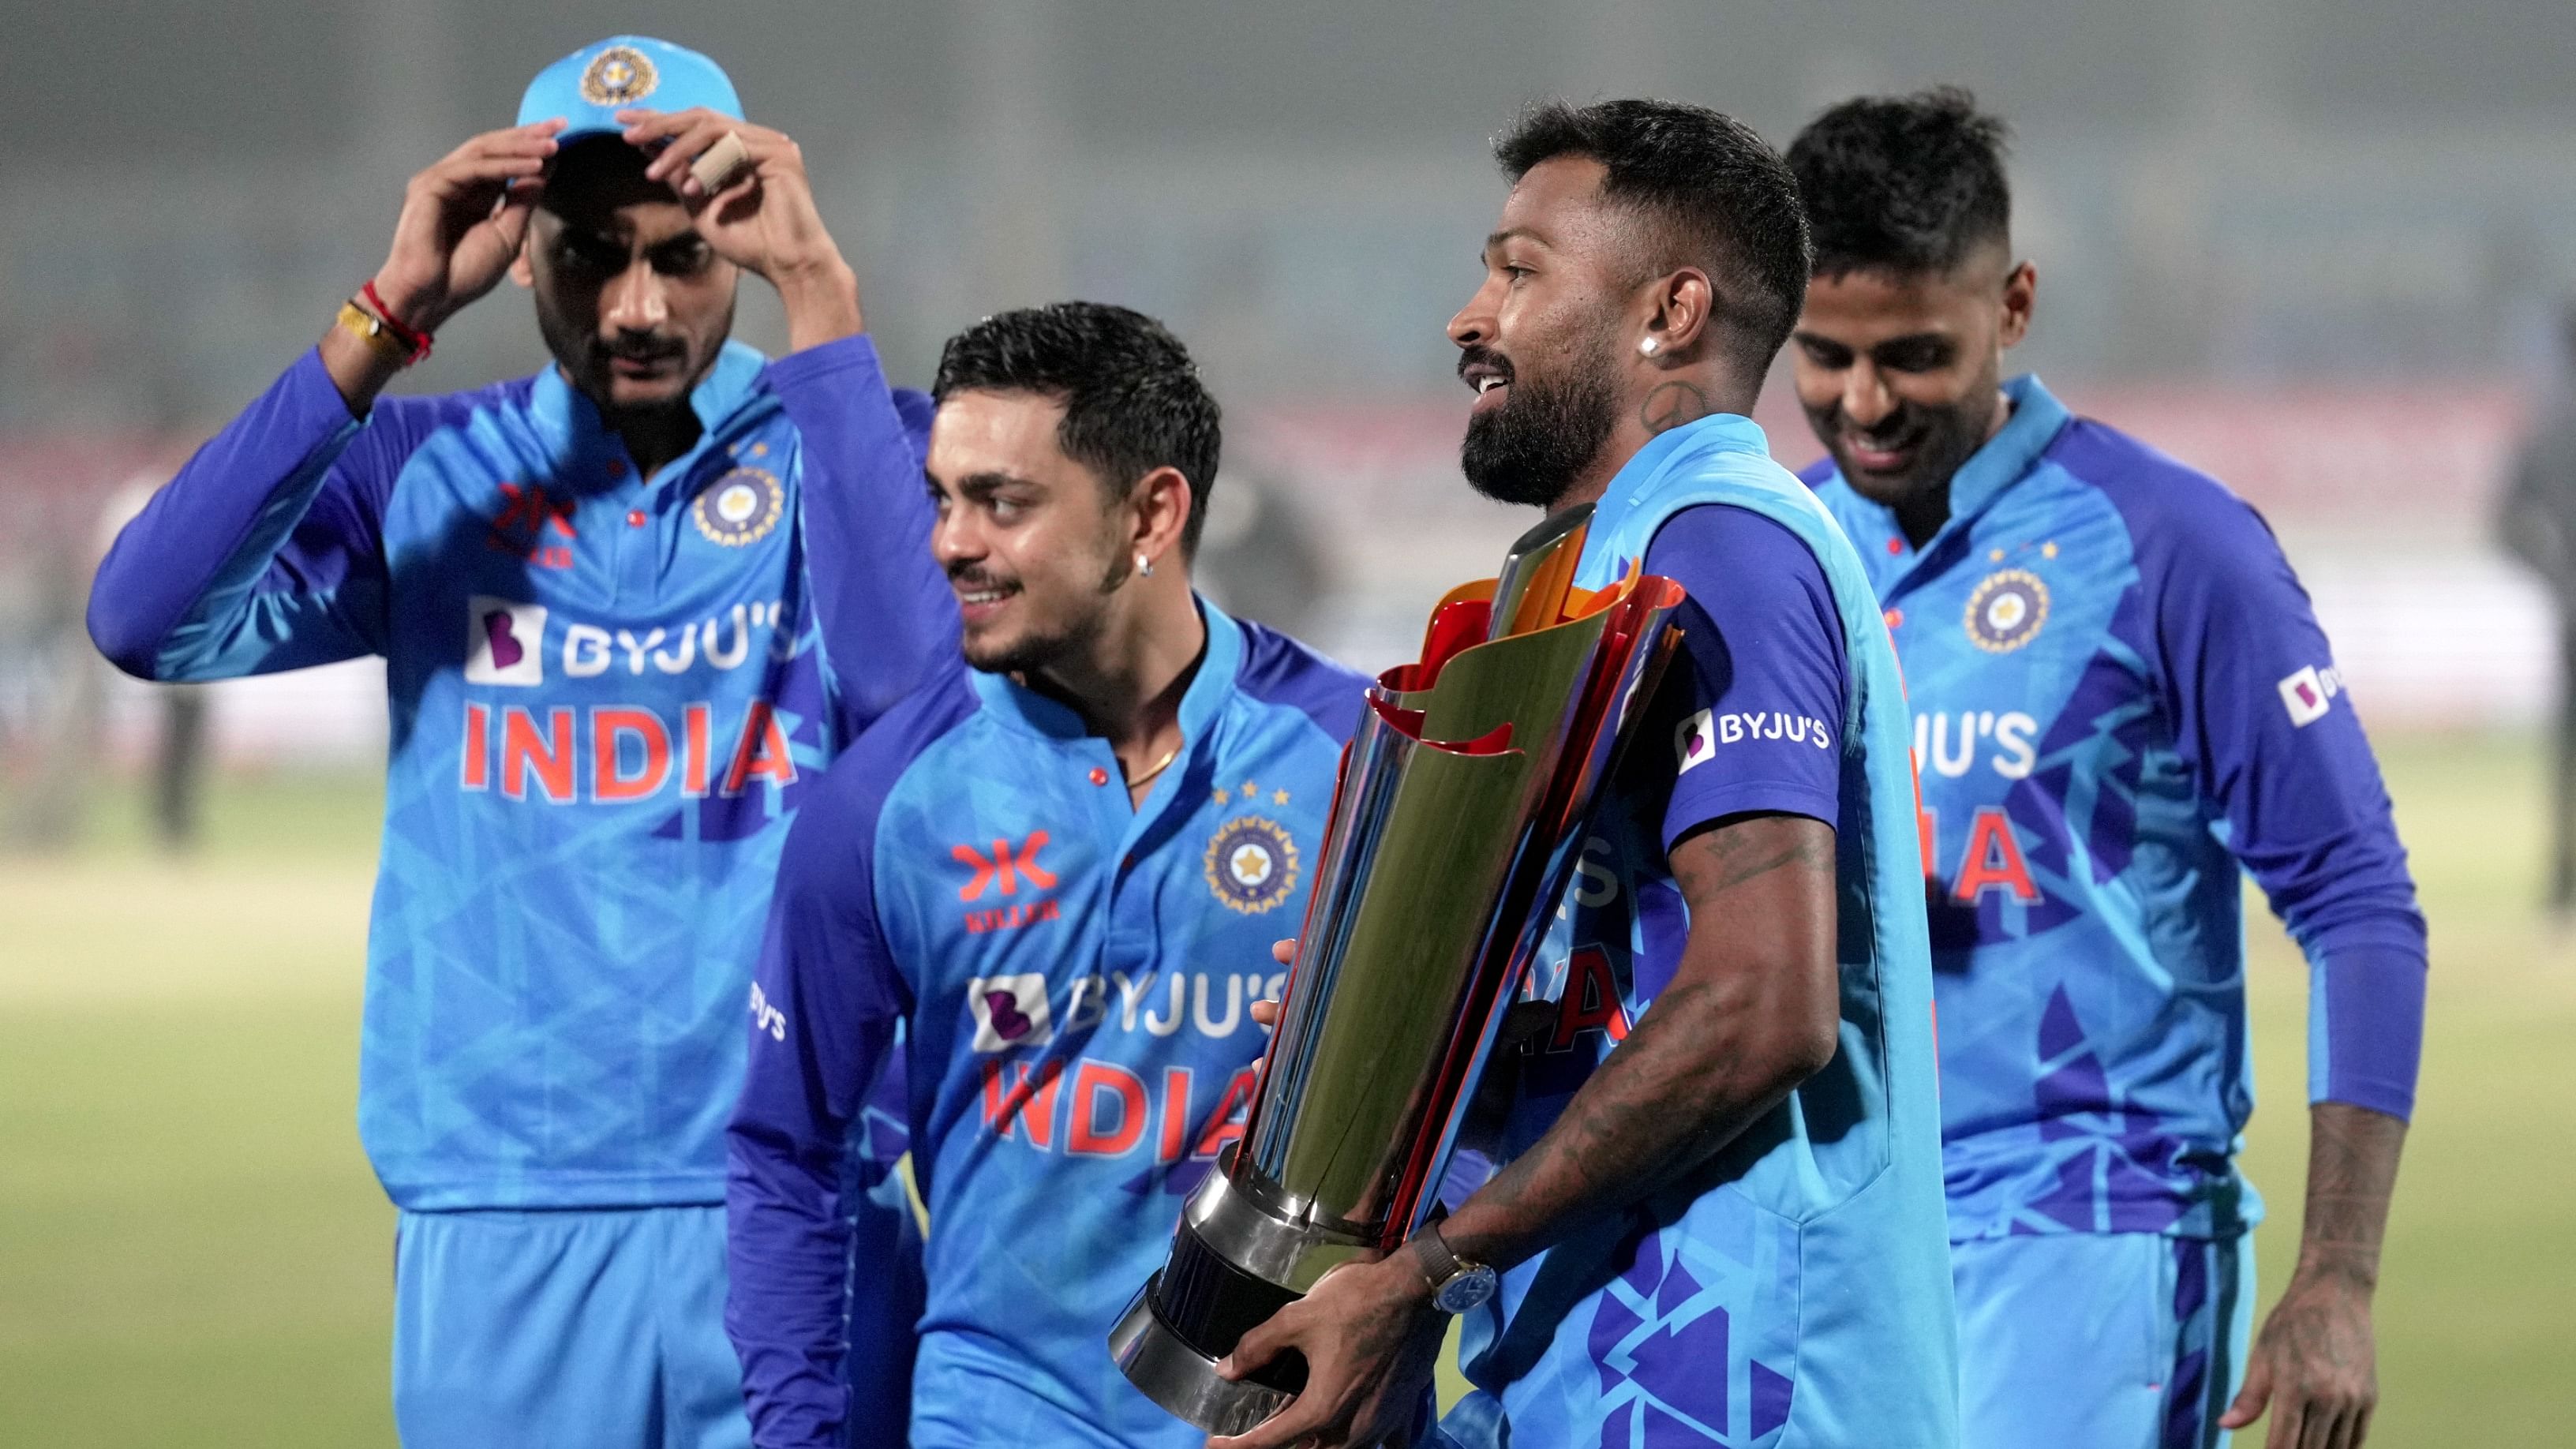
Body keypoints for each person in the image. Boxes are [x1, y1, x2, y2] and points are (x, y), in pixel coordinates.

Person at [83, 36, 946, 1449]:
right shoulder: (420, 469)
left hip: (798, 1201)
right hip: (500, 1215)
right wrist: (387, 311)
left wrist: (823, 300)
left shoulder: (853, 442)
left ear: (741, 240)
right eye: (590, 257)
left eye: (685, 256)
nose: (640, 306)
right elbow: (142, 617)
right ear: (517, 248)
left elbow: (922, 701)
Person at [1212, 99, 1957, 1449]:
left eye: (1515, 269)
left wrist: (1428, 1269)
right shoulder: (1591, 567)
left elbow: (1761, 1000)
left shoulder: (1722, 546)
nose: (1464, 314)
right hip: (1601, 1362)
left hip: (1740, 1383)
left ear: (1667, 312)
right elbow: (1624, 993)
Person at [1784, 89, 2428, 1449]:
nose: (1862, 401)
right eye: (1823, 356)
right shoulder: (1783, 555)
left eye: (1911, 353)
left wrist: (2336, 1278)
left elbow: (2355, 902)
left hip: (2088, 1229)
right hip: (1837, 1239)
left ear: (2010, 307)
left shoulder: (2166, 542)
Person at [725, 302, 1368, 1447]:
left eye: (1003, 504)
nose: (951, 543)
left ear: (1150, 515)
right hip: (997, 1414)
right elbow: (789, 1155)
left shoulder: (1354, 761)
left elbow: (1478, 1096)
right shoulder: (884, 802)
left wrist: (1407, 1309)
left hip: (1288, 1423)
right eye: (943, 498)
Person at [2496, 302, 2576, 911]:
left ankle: (2562, 881)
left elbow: (2504, 525)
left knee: (2568, 754)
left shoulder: (2546, 430)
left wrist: (2556, 576)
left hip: (2571, 612)